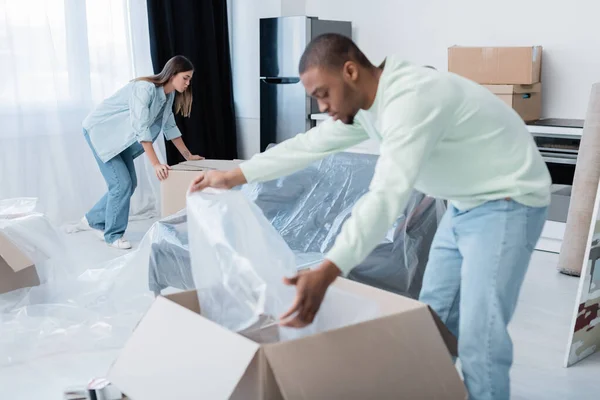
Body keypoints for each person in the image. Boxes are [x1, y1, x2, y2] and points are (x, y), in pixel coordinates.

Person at [189, 34, 551, 400]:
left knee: (481, 340)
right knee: (432, 323)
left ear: (350, 71)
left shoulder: (409, 100)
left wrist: (328, 270)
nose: (323, 105)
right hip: (462, 204)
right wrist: (233, 175)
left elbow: (386, 195)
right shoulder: (372, 106)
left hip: (507, 201)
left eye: (323, 93)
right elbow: (310, 144)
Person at [79, 55, 203, 249]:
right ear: (172, 74)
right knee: (121, 184)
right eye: (185, 78)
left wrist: (188, 156)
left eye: (189, 79)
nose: (188, 83)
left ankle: (92, 219)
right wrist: (155, 164)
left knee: (128, 183)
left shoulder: (168, 96)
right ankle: (112, 235)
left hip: (120, 140)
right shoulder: (145, 89)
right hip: (101, 132)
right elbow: (141, 126)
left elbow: (169, 126)